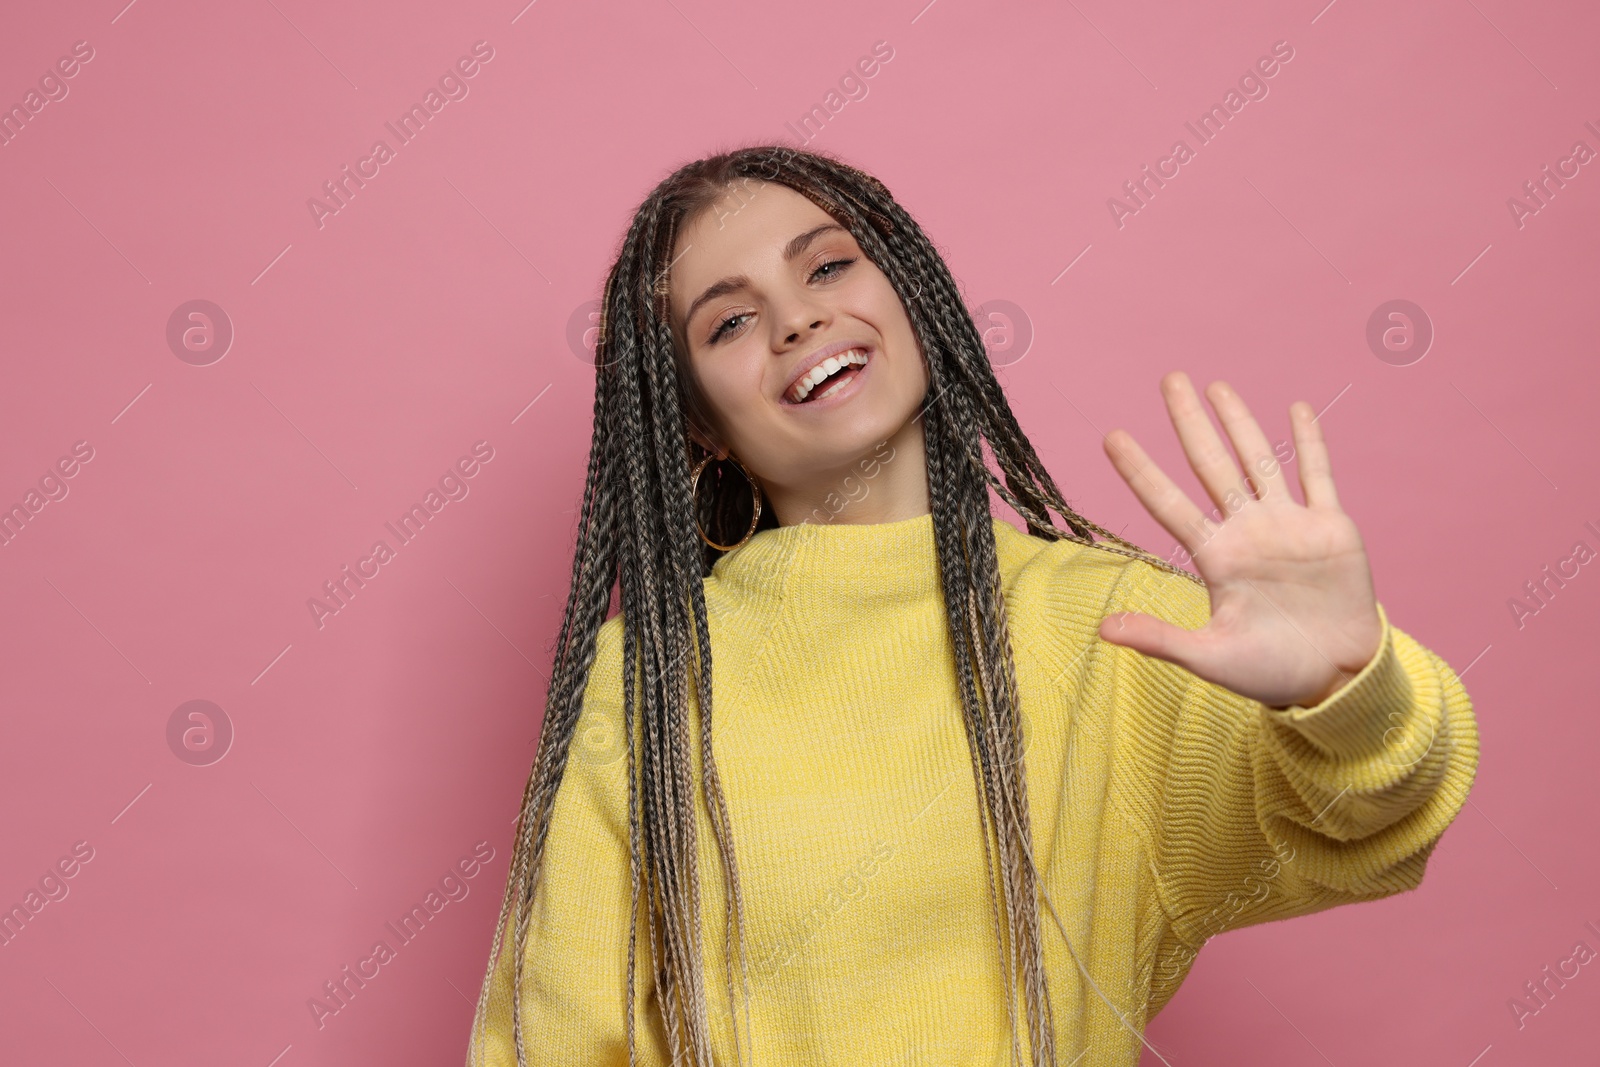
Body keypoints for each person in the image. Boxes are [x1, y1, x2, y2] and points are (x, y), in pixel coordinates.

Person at [464, 144, 1479, 1067]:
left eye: (827, 266)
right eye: (730, 320)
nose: (797, 319)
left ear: (909, 292)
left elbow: (1371, 824)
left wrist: (1346, 689)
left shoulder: (1111, 630)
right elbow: (547, 1042)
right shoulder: (647, 680)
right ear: (700, 424)